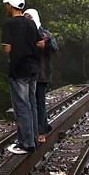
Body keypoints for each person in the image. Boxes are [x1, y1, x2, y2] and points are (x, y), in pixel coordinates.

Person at [0, 0, 41, 153]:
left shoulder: (8, 24)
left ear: (11, 6)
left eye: (7, 5)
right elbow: (39, 43)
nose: (6, 8)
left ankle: (26, 144)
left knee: (21, 107)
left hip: (18, 70)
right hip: (33, 68)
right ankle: (33, 139)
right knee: (32, 104)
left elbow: (7, 49)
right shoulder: (31, 23)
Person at [24, 8, 58, 144]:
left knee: (39, 103)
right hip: (27, 73)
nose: (28, 20)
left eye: (30, 17)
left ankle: (41, 132)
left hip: (41, 74)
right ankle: (35, 129)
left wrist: (47, 42)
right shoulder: (23, 34)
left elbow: (54, 48)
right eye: (25, 17)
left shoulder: (44, 33)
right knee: (28, 103)